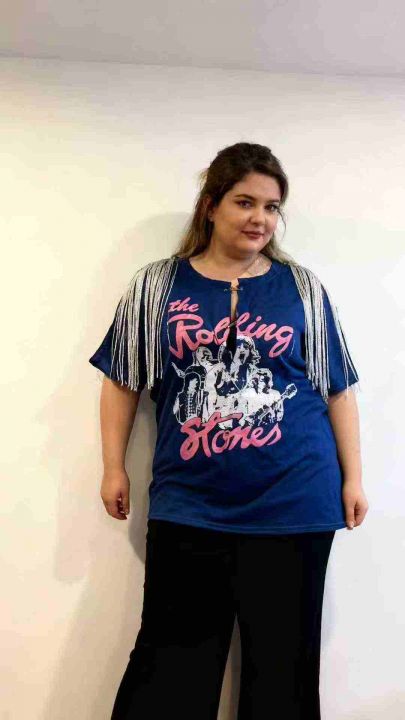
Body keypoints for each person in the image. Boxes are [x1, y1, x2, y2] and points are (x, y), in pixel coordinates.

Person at [89, 142, 369, 719]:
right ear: (211, 205)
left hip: (295, 504)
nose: (259, 218)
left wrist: (353, 479)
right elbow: (122, 380)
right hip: (190, 505)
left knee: (284, 673)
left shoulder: (303, 289)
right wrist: (113, 466)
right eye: (245, 202)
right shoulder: (156, 286)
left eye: (271, 207)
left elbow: (338, 389)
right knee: (170, 669)